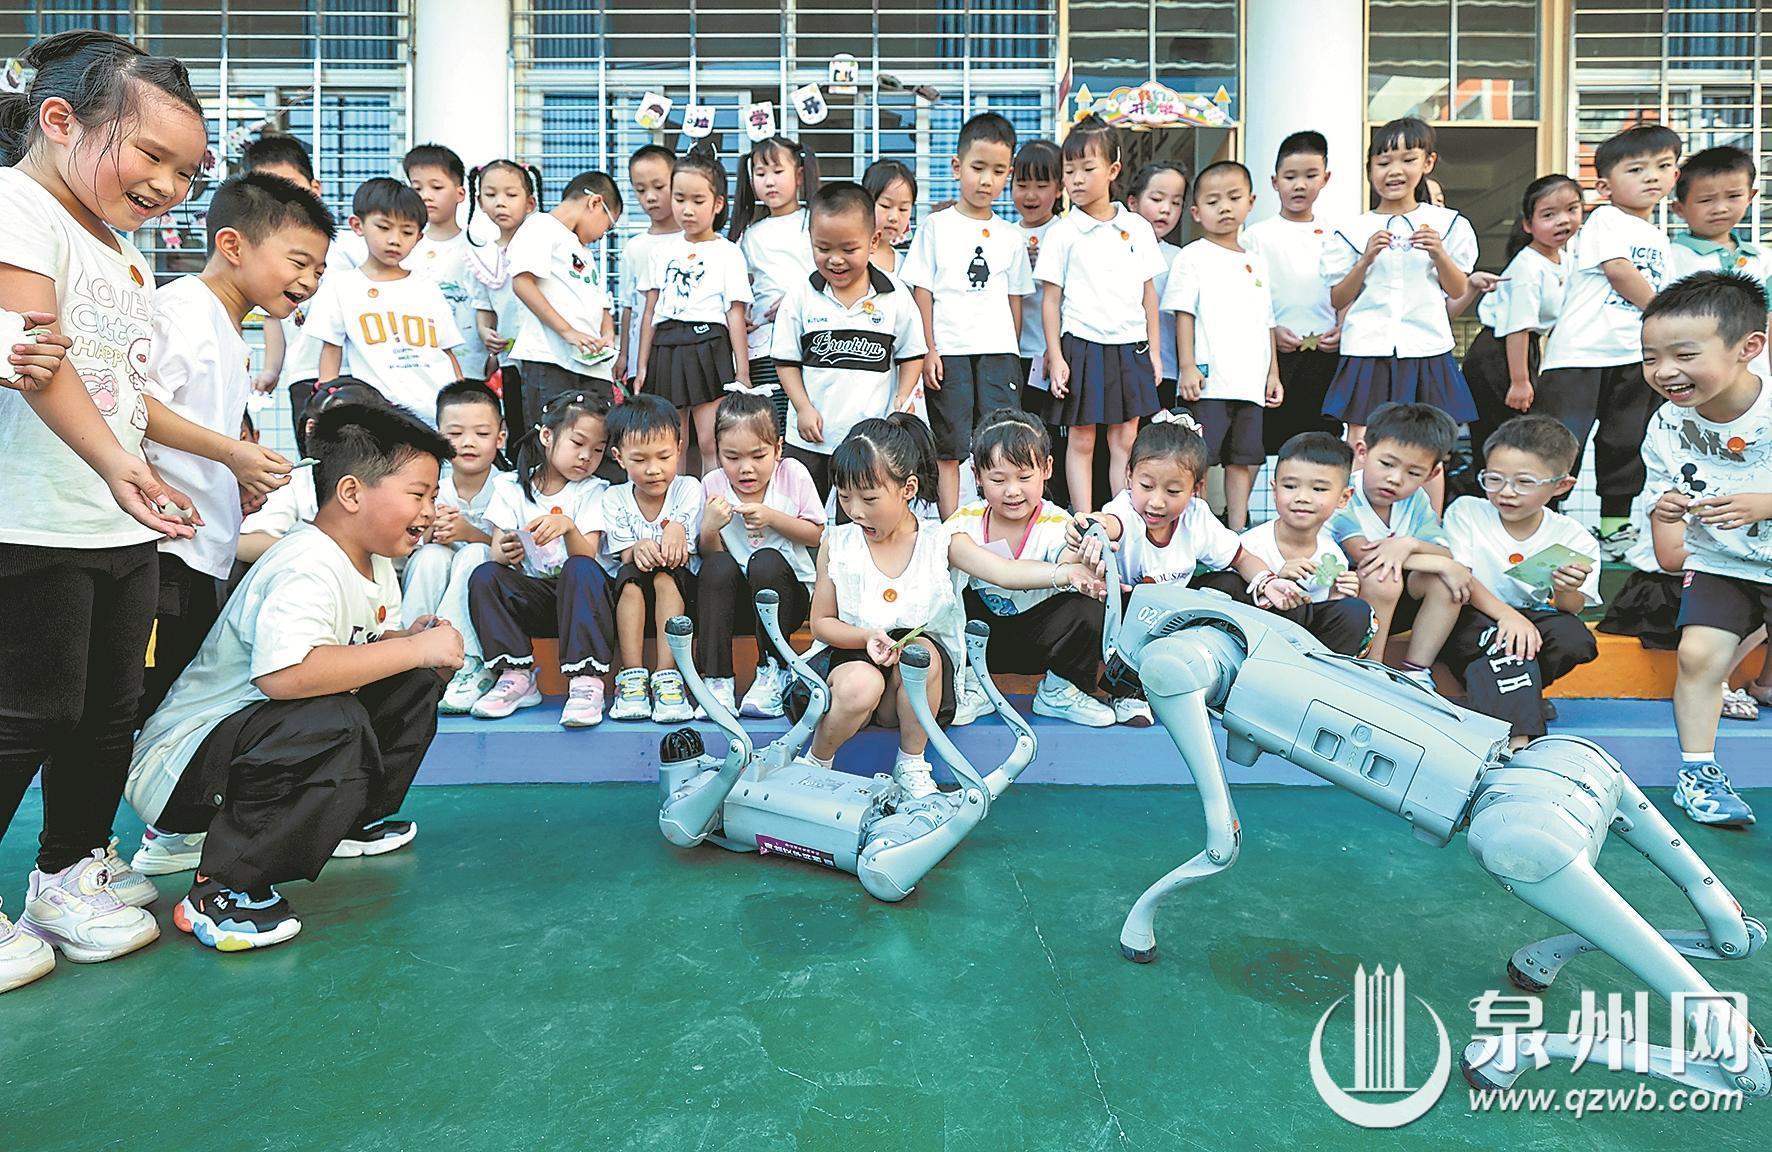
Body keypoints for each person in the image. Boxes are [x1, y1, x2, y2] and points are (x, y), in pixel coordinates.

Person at [0, 30, 210, 989]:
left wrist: (153, 468)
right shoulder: (19, 207)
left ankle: (69, 874)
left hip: (117, 518)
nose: (169, 184)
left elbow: (117, 390)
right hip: (32, 518)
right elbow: (38, 362)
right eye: (152, 155)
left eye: (187, 172)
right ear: (60, 121)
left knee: (106, 713)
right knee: (26, 713)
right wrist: (119, 463)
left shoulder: (122, 250)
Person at [126, 404, 461, 952]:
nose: (430, 510)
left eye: (433, 495)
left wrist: (408, 643)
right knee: (333, 717)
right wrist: (414, 648)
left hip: (238, 752)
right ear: (351, 493)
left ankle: (346, 821)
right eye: (418, 494)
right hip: (178, 773)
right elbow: (285, 676)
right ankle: (223, 886)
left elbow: (357, 652)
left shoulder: (372, 560)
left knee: (414, 682)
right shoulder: (307, 563)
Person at [800, 414, 1105, 796]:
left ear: (908, 488)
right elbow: (821, 623)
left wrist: (1066, 574)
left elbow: (1005, 572)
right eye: (845, 498)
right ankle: (815, 762)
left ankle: (911, 763)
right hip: (849, 671)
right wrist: (865, 638)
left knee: (923, 652)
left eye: (869, 498)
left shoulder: (941, 540)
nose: (856, 511)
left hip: (912, 687)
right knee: (863, 683)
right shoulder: (838, 542)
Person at [139, 173, 336, 722]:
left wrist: (235, 481)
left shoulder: (229, 327)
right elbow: (136, 406)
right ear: (232, 245)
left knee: (172, 702)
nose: (309, 281)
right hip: (164, 549)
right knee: (135, 703)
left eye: (319, 270)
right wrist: (232, 455)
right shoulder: (183, 310)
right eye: (298, 262)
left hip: (200, 548)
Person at [1067, 413, 1306, 725]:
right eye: (1146, 486)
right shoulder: (1123, 509)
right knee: (1098, 607)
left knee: (1230, 585)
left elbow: (1242, 558)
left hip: (1176, 618)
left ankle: (1215, 681)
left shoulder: (1197, 516)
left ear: (1196, 488)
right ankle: (1126, 691)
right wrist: (1091, 525)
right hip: (1127, 615)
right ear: (1129, 476)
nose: (1156, 502)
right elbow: (1110, 523)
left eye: (1173, 491)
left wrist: (1267, 582)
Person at [1641, 273, 1772, 826]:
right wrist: (1667, 513)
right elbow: (1670, 552)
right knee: (1698, 655)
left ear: (1749, 347)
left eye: (1685, 354)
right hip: (1719, 560)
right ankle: (1697, 773)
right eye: (1650, 357)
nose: (1664, 370)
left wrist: (1765, 504)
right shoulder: (1666, 425)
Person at [1537, 123, 1681, 559]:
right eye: (1635, 169)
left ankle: (1614, 527)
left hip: (1634, 356)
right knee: (1561, 442)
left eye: (1663, 166)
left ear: (1676, 174)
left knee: (1626, 441)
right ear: (1604, 186)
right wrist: (1662, 313)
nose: (1651, 176)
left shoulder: (1659, 237)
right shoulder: (1606, 219)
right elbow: (1619, 271)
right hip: (1579, 355)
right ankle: (1544, 523)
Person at [1439, 416, 1600, 749]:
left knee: (1574, 637)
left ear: (1561, 486)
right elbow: (1461, 577)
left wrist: (1567, 588)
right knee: (1504, 642)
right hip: (1472, 613)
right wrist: (1508, 618)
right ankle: (1518, 745)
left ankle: (1516, 693)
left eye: (1524, 482)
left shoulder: (1573, 536)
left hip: (1529, 618)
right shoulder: (1467, 511)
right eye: (1494, 479)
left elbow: (1571, 608)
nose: (1506, 492)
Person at [945, 409, 1115, 726]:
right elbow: (998, 575)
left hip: (1040, 641)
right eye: (998, 479)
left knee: (1087, 602)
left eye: (1024, 477)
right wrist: (1063, 572)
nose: (1012, 491)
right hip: (980, 642)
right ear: (977, 475)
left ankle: (1060, 690)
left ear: (1047, 468)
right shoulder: (962, 523)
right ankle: (972, 684)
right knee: (947, 595)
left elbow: (1068, 557)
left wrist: (1084, 558)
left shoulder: (1058, 523)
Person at [901, 111, 1034, 518]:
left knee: (999, 442)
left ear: (1009, 173)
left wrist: (1010, 350)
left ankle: (997, 520)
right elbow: (922, 291)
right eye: (978, 168)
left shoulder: (1011, 236)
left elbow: (1015, 299)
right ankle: (950, 526)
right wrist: (928, 349)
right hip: (950, 350)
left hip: (998, 352)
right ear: (957, 166)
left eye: (998, 171)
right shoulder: (935, 226)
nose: (986, 180)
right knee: (950, 446)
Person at [1322, 117, 1478, 459]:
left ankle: (1426, 499)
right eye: (1383, 163)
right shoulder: (1352, 230)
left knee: (1429, 443)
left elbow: (1457, 289)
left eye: (1408, 160)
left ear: (1428, 162)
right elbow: (1338, 297)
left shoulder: (1449, 224)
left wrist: (1439, 253)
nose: (1394, 171)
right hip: (1368, 346)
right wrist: (1365, 259)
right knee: (1362, 438)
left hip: (1427, 343)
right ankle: (1359, 496)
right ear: (1369, 169)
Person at [1036, 115, 1165, 514]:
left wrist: (1155, 352)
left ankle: (1123, 517)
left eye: (1087, 169)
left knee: (1125, 438)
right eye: (1069, 170)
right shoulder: (1062, 232)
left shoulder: (1137, 227)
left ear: (1113, 170)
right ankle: (1084, 519)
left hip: (1130, 345)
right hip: (1082, 344)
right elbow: (1050, 300)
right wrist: (1056, 356)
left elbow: (1148, 295)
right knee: (1081, 438)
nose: (1076, 179)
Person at [468, 391, 615, 726]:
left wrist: (568, 527)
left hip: (585, 605)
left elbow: (588, 555)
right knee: (486, 574)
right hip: (537, 598)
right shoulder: (510, 486)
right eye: (578, 443)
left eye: (598, 449)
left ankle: (586, 681)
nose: (586, 456)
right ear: (547, 436)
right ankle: (516, 676)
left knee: (580, 567)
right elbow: (497, 550)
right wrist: (507, 549)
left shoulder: (594, 489)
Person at [775, 181, 926, 500]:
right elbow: (786, 361)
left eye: (848, 249)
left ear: (873, 241)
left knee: (860, 514)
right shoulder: (801, 295)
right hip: (810, 439)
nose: (835, 260)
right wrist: (802, 407)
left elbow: (912, 354)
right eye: (823, 248)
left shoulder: (895, 295)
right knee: (802, 512)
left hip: (869, 443)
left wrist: (901, 399)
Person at [1164, 160, 1282, 532]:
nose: (1225, 208)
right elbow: (1183, 314)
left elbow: (1267, 323)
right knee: (1198, 459)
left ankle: (1236, 529)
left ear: (1251, 202)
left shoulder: (1257, 263)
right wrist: (1187, 367)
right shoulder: (1192, 256)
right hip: (1209, 382)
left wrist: (1273, 374)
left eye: (1234, 198)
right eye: (1213, 201)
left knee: (1243, 459)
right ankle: (1193, 529)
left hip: (1250, 383)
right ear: (1196, 212)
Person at [696, 392, 826, 717]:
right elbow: (709, 555)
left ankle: (774, 669)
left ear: (778, 449)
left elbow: (816, 533)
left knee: (764, 560)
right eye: (732, 457)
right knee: (716, 566)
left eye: (758, 456)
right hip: (737, 603)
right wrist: (709, 528)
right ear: (718, 452)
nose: (746, 468)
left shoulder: (792, 474)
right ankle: (717, 680)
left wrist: (772, 518)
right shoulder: (712, 484)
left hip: (787, 599)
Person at [241, 133, 364, 447]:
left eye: (290, 187)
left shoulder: (349, 248)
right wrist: (271, 370)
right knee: (317, 459)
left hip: (356, 370)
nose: (283, 201)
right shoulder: (266, 258)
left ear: (315, 189)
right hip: (304, 376)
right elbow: (272, 316)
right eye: (269, 193)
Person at [1328, 403, 1469, 675]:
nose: (1395, 479)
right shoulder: (1343, 492)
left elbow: (1441, 550)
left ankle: (1416, 671)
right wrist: (1443, 564)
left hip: (1392, 604)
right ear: (1362, 452)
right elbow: (1363, 554)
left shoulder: (1416, 500)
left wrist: (1408, 544)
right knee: (1382, 573)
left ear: (1432, 474)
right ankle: (1373, 667)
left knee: (1444, 582)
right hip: (1343, 602)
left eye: (1413, 473)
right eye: (1387, 464)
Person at [309, 177, 465, 420]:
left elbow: (447, 352)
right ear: (357, 225)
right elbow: (331, 350)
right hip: (379, 415)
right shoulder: (341, 286)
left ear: (419, 238)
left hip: (437, 411)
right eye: (383, 227)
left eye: (407, 232)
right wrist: (327, 403)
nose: (395, 240)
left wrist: (461, 402)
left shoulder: (427, 288)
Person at [636, 143, 753, 467]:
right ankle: (676, 499)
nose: (687, 209)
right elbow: (650, 310)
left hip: (709, 345)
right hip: (666, 345)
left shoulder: (728, 252)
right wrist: (641, 365)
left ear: (718, 203)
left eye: (697, 201)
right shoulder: (660, 251)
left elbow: (735, 313)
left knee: (709, 439)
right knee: (671, 440)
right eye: (679, 199)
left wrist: (742, 371)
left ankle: (712, 497)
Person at [1460, 175, 1582, 470]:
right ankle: (1486, 490)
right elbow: (1518, 327)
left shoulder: (1564, 260)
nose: (1563, 221)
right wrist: (1519, 381)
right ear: (1528, 224)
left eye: (1572, 209)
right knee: (1502, 436)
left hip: (1523, 350)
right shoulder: (1527, 266)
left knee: (1516, 436)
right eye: (1549, 215)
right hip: (1499, 354)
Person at [603, 394, 705, 723]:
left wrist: (677, 528)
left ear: (679, 448)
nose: (653, 469)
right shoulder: (614, 497)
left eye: (663, 456)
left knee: (666, 576)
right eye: (639, 459)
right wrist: (637, 548)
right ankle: (632, 675)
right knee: (631, 578)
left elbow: (685, 547)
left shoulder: (688, 488)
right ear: (619, 458)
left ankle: (666, 674)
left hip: (676, 590)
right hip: (632, 591)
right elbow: (624, 553)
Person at [1225, 432, 1376, 655]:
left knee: (1355, 611)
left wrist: (1337, 596)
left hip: (1302, 643)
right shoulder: (1249, 545)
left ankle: (1320, 670)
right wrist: (1276, 581)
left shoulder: (1333, 556)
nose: (1302, 497)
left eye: (1319, 489)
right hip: (1253, 636)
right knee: (1229, 582)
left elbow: (1319, 614)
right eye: (1290, 486)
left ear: (1344, 498)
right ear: (1275, 490)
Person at [409, 382, 507, 714]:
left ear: (500, 437)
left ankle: (468, 662)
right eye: (454, 433)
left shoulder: (509, 487)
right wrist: (427, 530)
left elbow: (512, 556)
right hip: (436, 577)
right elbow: (403, 548)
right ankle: (411, 653)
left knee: (475, 554)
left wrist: (468, 532)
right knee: (431, 556)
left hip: (490, 593)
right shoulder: (429, 488)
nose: (467, 442)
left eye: (481, 433)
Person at [1245, 130, 1344, 453]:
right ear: (1275, 182)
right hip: (1276, 355)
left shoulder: (1337, 234)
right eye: (1290, 177)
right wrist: (1271, 333)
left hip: (1326, 353)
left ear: (1326, 178)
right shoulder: (1256, 237)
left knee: (1323, 440)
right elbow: (1247, 299)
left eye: (1310, 176)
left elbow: (1346, 288)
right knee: (1273, 438)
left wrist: (1343, 326)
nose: (1300, 185)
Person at [508, 169, 622, 430]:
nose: (602, 235)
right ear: (595, 203)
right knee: (553, 437)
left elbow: (602, 303)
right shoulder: (540, 226)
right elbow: (522, 283)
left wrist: (607, 334)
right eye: (608, 226)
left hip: (591, 365)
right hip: (551, 358)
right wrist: (567, 331)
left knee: (599, 437)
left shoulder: (584, 252)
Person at [732, 135, 820, 435]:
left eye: (778, 171)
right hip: (764, 346)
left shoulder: (814, 222)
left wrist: (794, 299)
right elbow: (743, 287)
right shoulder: (749, 235)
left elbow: (830, 273)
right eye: (760, 173)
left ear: (799, 175)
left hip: (809, 341)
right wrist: (742, 316)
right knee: (770, 428)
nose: (769, 181)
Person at [1669, 146, 1770, 385]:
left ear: (1751, 196)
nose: (1721, 208)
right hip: (1690, 379)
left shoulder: (1763, 259)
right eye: (1706, 200)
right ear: (1679, 208)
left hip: (1756, 380)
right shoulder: (1671, 256)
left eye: (1733, 196)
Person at [1009, 139, 1068, 502]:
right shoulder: (1006, 234)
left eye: (1042, 185)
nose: (1030, 195)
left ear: (1059, 188)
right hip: (1015, 352)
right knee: (1022, 429)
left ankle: (1056, 500)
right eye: (1022, 184)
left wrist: (1054, 347)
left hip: (1052, 355)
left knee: (1054, 433)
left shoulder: (1065, 233)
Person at [465, 159, 542, 435]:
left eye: (511, 195)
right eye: (491, 194)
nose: (500, 203)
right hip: (511, 358)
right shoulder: (482, 257)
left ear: (530, 203)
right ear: (479, 202)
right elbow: (484, 307)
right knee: (519, 424)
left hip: (546, 355)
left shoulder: (544, 248)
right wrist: (485, 332)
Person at [405, 143, 489, 383]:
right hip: (416, 369)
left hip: (470, 367)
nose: (426, 195)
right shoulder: (403, 249)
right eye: (417, 188)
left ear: (460, 194)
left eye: (437, 187)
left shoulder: (481, 248)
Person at [1126, 161, 1187, 408]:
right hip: (1120, 364)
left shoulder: (1181, 258)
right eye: (1157, 199)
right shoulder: (1116, 249)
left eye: (1176, 202)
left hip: (1166, 370)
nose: (1166, 209)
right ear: (1132, 203)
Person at [618, 144, 679, 387]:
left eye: (659, 187)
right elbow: (628, 307)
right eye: (640, 190)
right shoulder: (634, 247)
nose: (650, 197)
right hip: (641, 361)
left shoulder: (697, 242)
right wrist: (624, 355)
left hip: (685, 355)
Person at [862, 158, 915, 276]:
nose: (894, 217)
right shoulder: (852, 258)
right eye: (885, 206)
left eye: (903, 209)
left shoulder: (905, 268)